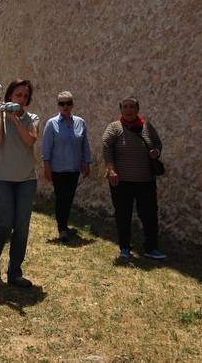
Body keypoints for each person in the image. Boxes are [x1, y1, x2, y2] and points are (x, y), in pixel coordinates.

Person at [0, 79, 39, 288]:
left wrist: (16, 119)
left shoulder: (32, 118)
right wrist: (1, 116)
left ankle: (15, 272)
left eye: (25, 96)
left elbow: (29, 140)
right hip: (0, 178)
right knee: (5, 223)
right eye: (18, 95)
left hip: (26, 179)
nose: (22, 100)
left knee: (21, 226)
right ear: (9, 96)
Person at [102, 96, 165, 260]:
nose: (128, 109)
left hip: (146, 181)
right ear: (120, 109)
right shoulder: (114, 128)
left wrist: (156, 152)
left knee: (150, 215)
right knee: (123, 215)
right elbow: (107, 147)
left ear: (137, 109)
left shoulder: (147, 126)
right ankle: (124, 247)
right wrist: (111, 170)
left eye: (132, 106)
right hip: (122, 181)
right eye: (125, 106)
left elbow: (157, 143)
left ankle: (151, 248)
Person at [42, 91, 91, 243]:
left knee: (68, 198)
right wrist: (47, 167)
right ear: (58, 105)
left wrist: (86, 162)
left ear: (72, 105)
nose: (65, 106)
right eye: (62, 103)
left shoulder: (80, 122)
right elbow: (46, 147)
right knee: (61, 198)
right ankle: (62, 228)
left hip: (74, 168)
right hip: (58, 169)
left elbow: (85, 144)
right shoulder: (52, 124)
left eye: (68, 103)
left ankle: (64, 224)